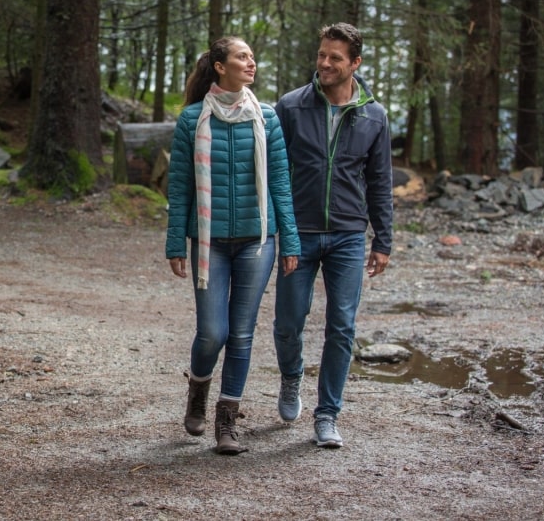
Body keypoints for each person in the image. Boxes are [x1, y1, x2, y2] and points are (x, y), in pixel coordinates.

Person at [166, 36, 300, 455]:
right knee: (212, 332)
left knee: (241, 334)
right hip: (209, 242)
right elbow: (180, 186)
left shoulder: (267, 118)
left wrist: (290, 239)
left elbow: (280, 180)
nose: (251, 62)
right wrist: (174, 241)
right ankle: (198, 392)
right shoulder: (191, 120)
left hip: (258, 240)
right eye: (242, 56)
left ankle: (227, 424)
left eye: (252, 56)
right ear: (220, 66)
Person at [272, 22, 393, 448]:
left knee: (341, 327)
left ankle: (327, 414)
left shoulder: (374, 114)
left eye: (334, 58)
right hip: (298, 233)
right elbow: (273, 172)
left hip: (346, 235)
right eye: (322, 54)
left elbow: (380, 181)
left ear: (355, 64)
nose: (324, 63)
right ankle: (291, 379)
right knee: (288, 324)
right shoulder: (290, 106)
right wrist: (277, 226)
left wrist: (383, 241)